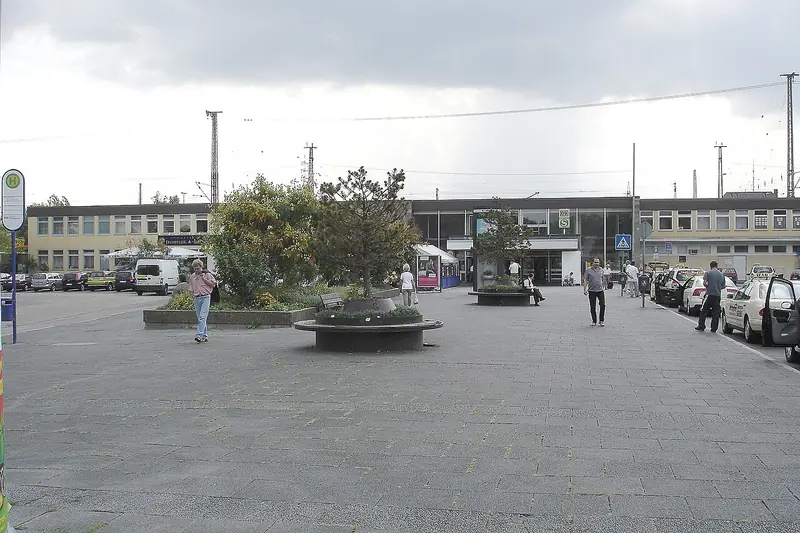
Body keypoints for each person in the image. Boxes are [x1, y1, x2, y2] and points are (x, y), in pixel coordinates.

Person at [188, 258, 216, 343]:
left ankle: (199, 335)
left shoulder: (207, 274)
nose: (197, 270)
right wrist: (192, 296)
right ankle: (205, 335)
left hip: (205, 297)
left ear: (201, 267)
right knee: (200, 317)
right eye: (195, 269)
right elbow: (190, 288)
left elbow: (213, 284)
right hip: (197, 298)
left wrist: (204, 279)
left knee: (202, 317)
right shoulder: (192, 277)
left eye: (198, 268)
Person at [696, 260, 726, 332]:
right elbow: (723, 286)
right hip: (717, 295)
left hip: (709, 294)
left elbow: (705, 283)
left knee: (704, 310)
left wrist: (708, 286)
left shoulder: (708, 273)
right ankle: (714, 328)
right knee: (716, 312)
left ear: (710, 266)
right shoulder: (722, 274)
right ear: (717, 266)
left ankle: (701, 325)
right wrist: (717, 287)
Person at [583, 257, 606, 326]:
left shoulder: (601, 270)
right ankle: (594, 320)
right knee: (593, 306)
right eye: (595, 262)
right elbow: (585, 280)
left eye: (598, 262)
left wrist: (604, 286)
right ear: (592, 263)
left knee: (603, 305)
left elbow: (603, 279)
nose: (597, 264)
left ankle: (601, 320)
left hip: (600, 290)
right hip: (592, 291)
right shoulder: (588, 270)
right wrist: (585, 289)